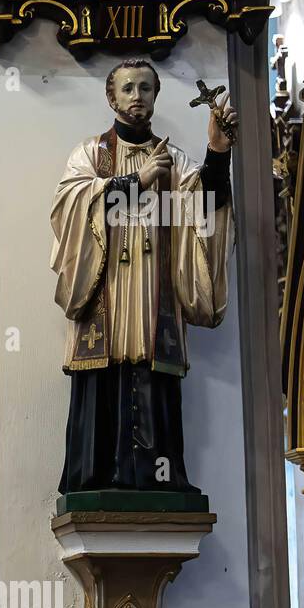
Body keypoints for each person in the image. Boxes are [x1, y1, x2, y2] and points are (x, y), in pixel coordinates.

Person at [49, 58, 237, 495]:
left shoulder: (176, 162)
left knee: (154, 375)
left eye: (146, 88)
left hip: (155, 292)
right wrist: (135, 180)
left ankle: (160, 477)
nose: (137, 96)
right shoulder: (91, 154)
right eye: (128, 88)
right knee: (103, 374)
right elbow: (69, 207)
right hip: (107, 287)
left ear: (156, 96)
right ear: (111, 97)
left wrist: (218, 152)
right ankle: (95, 478)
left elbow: (206, 210)